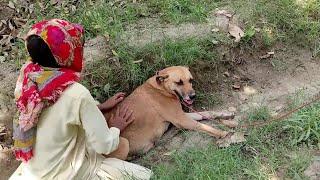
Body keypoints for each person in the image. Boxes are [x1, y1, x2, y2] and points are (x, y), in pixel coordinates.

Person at [9, 19, 152, 180]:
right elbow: (103, 145)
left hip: (36, 170)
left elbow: (58, 118)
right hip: (66, 174)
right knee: (145, 175)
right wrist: (115, 128)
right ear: (66, 52)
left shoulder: (28, 79)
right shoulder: (76, 93)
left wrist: (98, 107)